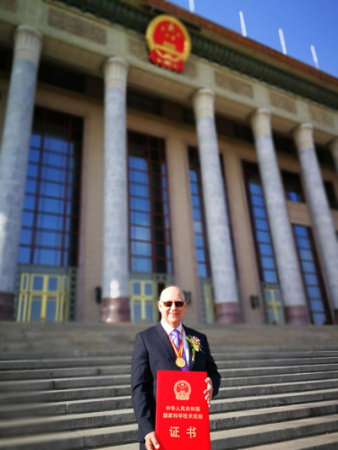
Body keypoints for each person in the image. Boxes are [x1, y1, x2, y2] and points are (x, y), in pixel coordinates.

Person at [131, 285, 221, 450]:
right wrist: (147, 429)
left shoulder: (198, 339)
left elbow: (213, 373)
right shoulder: (145, 339)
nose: (173, 308)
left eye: (178, 303)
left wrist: (211, 385)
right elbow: (139, 388)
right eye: (168, 303)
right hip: (158, 433)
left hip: (192, 431)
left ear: (185, 306)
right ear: (159, 306)